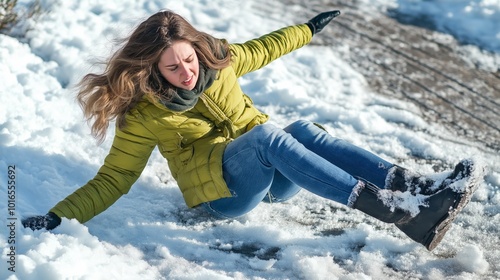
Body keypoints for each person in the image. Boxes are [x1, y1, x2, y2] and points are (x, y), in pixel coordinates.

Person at [22, 10, 482, 251]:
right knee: (266, 138)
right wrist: (60, 216)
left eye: (188, 59)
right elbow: (114, 178)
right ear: (153, 69)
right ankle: (392, 211)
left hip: (270, 180)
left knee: (302, 129)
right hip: (221, 195)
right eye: (172, 66)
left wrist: (307, 30)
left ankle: (419, 190)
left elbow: (266, 47)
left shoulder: (218, 62)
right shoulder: (144, 115)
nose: (186, 71)